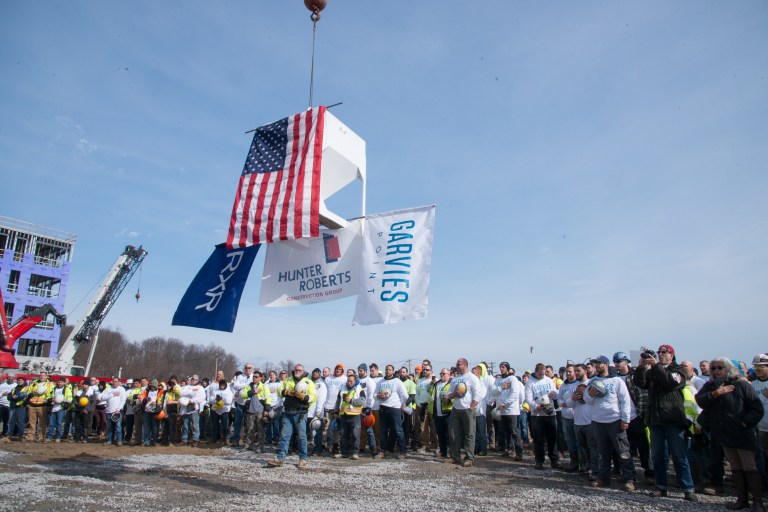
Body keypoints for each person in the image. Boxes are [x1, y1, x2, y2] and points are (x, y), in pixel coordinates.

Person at [697, 357, 765, 511]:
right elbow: (700, 400)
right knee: (735, 467)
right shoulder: (711, 385)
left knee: (750, 467)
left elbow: (757, 408)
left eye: (720, 368)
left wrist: (744, 423)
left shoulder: (741, 385)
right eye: (713, 368)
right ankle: (741, 499)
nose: (716, 371)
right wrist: (716, 393)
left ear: (728, 369)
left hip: (742, 433)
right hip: (723, 434)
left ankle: (757, 501)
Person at [633, 344, 698, 502]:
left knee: (679, 456)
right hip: (655, 419)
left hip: (673, 419)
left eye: (664, 352)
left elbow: (670, 382)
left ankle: (688, 488)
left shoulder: (678, 370)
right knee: (657, 456)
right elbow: (640, 383)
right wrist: (642, 367)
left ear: (672, 355)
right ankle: (661, 486)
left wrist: (655, 366)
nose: (661, 354)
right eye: (659, 352)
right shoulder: (653, 371)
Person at [582, 355, 637, 492]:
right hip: (598, 421)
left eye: (598, 363)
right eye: (595, 364)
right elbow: (586, 399)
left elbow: (625, 400)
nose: (596, 366)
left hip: (615, 420)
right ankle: (604, 479)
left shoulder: (616, 381)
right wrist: (591, 395)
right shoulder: (592, 381)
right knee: (603, 452)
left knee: (623, 451)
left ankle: (629, 479)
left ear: (606, 365)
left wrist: (625, 419)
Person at [613, 351, 653, 484]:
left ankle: (649, 472)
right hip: (620, 418)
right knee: (623, 448)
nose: (617, 364)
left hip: (635, 417)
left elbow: (642, 396)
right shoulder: (615, 379)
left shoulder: (635, 376)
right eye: (615, 362)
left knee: (643, 447)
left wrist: (642, 415)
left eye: (619, 362)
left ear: (626, 362)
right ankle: (628, 474)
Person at [267, 363, 316, 468]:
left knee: (302, 437)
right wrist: (286, 392)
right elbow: (279, 391)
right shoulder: (288, 380)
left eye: (300, 370)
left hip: (301, 413)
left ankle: (303, 458)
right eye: (296, 370)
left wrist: (305, 397)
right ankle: (280, 458)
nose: (298, 371)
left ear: (303, 371)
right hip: (288, 412)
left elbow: (314, 396)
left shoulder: (308, 382)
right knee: (284, 436)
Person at [448, 358, 484, 467]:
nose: (457, 365)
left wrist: (472, 406)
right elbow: (449, 395)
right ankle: (455, 456)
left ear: (464, 365)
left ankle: (469, 458)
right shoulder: (455, 379)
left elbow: (479, 393)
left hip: (467, 409)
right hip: (456, 409)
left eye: (458, 364)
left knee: (469, 434)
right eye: (456, 363)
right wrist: (455, 394)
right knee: (453, 434)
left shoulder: (471, 377)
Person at [525, 363, 560, 469]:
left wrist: (554, 394)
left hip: (550, 413)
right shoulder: (530, 382)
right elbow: (528, 398)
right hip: (537, 415)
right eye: (540, 374)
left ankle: (554, 460)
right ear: (536, 372)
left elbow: (556, 392)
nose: (542, 375)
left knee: (552, 438)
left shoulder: (548, 380)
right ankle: (539, 461)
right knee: (538, 439)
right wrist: (535, 406)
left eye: (543, 373)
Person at [374, 364, 409, 459]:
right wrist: (378, 396)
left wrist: (400, 404)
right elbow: (374, 394)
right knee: (383, 431)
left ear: (393, 371)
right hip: (383, 408)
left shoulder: (397, 381)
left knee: (398, 430)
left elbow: (405, 395)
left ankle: (403, 451)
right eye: (386, 369)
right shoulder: (380, 382)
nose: (387, 371)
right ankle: (383, 451)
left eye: (390, 369)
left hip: (394, 408)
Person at [496, 361, 524, 460]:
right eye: (500, 367)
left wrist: (506, 403)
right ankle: (510, 449)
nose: (501, 369)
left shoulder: (512, 379)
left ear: (507, 368)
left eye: (503, 367)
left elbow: (515, 393)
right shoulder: (498, 379)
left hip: (511, 410)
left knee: (514, 431)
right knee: (506, 431)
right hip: (502, 410)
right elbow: (495, 392)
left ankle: (519, 452)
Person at [335, 372, 366, 460]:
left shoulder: (359, 389)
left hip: (355, 415)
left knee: (356, 435)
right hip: (344, 415)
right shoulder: (342, 388)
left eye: (351, 381)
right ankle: (343, 452)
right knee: (343, 435)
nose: (349, 382)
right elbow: (338, 401)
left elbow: (363, 401)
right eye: (348, 381)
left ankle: (355, 453)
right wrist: (336, 412)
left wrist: (351, 401)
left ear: (355, 381)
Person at [242, 372, 271, 453]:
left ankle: (260, 447)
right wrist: (253, 391)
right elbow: (243, 395)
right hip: (250, 410)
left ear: (260, 378)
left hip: (260, 411)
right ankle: (248, 445)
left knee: (260, 429)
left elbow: (268, 398)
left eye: (256, 377)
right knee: (250, 429)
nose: (254, 378)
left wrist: (266, 410)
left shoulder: (264, 387)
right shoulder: (248, 386)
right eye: (253, 376)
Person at [322, 364, 346, 455]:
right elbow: (324, 392)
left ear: (342, 370)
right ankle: (326, 444)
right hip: (328, 406)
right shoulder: (328, 379)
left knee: (336, 428)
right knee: (326, 427)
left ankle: (335, 445)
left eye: (340, 369)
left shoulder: (344, 379)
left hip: (338, 407)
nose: (338, 370)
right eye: (336, 369)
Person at [430, 368, 453, 458]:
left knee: (450, 434)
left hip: (448, 413)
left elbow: (455, 397)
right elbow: (431, 396)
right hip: (437, 413)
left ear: (449, 374)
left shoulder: (451, 384)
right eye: (441, 373)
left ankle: (452, 453)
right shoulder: (436, 384)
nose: (442, 375)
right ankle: (443, 452)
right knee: (440, 434)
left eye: (444, 373)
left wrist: (450, 400)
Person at [26, 371, 54, 442]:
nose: (41, 377)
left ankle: (41, 436)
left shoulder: (50, 384)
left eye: (43, 375)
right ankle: (30, 436)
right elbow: (28, 392)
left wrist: (47, 400)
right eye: (40, 375)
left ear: (46, 376)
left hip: (42, 405)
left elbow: (51, 394)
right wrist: (33, 393)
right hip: (32, 404)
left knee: (42, 422)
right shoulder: (34, 383)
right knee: (31, 422)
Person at [231, 364, 254, 446]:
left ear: (252, 368)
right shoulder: (240, 376)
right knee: (237, 422)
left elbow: (253, 388)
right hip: (240, 403)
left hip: (249, 403)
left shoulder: (254, 377)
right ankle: (236, 439)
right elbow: (235, 386)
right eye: (246, 368)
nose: (247, 369)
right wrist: (246, 385)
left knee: (248, 423)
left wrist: (242, 386)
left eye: (249, 368)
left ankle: (247, 440)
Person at [45, 377, 73, 443]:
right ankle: (49, 437)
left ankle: (58, 437)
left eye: (61, 382)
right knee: (51, 423)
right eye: (59, 382)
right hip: (53, 408)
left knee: (59, 423)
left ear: (64, 383)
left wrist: (63, 402)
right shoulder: (54, 388)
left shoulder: (67, 389)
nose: (60, 383)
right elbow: (48, 396)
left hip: (61, 408)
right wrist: (51, 399)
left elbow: (69, 399)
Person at [101, 377, 126, 446]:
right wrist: (112, 395)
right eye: (113, 381)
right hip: (108, 411)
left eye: (116, 381)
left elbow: (123, 400)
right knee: (109, 427)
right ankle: (109, 440)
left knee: (118, 427)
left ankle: (119, 440)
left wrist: (118, 409)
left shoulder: (121, 389)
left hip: (117, 411)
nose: (114, 382)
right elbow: (102, 397)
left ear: (118, 382)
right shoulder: (108, 389)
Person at [210, 378, 233, 445]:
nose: (222, 387)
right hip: (216, 409)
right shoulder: (215, 391)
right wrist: (216, 399)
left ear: (225, 385)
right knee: (215, 424)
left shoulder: (228, 391)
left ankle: (226, 439)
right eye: (221, 385)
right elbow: (211, 400)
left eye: (223, 385)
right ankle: (215, 438)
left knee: (225, 425)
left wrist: (222, 399)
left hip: (224, 410)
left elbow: (229, 401)